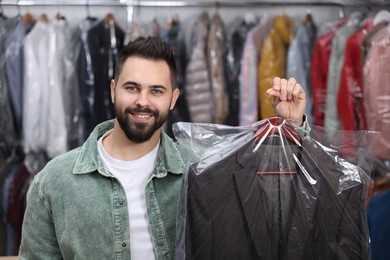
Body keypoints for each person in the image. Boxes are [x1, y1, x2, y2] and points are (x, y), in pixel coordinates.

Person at [18, 36, 309, 259]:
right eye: (132, 88)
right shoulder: (54, 182)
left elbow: (277, 197)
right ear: (112, 90)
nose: (142, 101)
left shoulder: (203, 168)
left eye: (156, 91)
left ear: (173, 98)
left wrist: (293, 125)